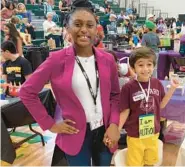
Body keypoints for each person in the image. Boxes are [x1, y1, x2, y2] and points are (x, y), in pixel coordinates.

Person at [19, 0, 120, 166]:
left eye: (90, 25)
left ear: (96, 29)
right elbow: (27, 92)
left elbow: (115, 95)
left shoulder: (107, 59)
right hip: (74, 132)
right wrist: (50, 124)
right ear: (68, 28)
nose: (84, 30)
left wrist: (115, 123)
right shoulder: (56, 60)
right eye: (78, 24)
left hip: (106, 130)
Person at [118, 47, 179, 166]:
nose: (145, 69)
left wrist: (172, 89)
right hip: (135, 134)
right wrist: (117, 129)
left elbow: (161, 105)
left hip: (153, 132)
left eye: (149, 64)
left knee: (150, 163)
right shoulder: (128, 88)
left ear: (154, 66)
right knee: (135, 164)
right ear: (133, 67)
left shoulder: (157, 83)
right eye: (140, 65)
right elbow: (125, 111)